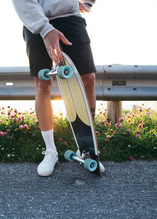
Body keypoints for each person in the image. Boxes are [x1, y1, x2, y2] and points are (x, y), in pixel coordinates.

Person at [12, 0, 104, 176]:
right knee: (43, 83)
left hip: (70, 18)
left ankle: (86, 149)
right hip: (36, 21)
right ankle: (50, 151)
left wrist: (87, 2)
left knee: (88, 79)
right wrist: (45, 29)